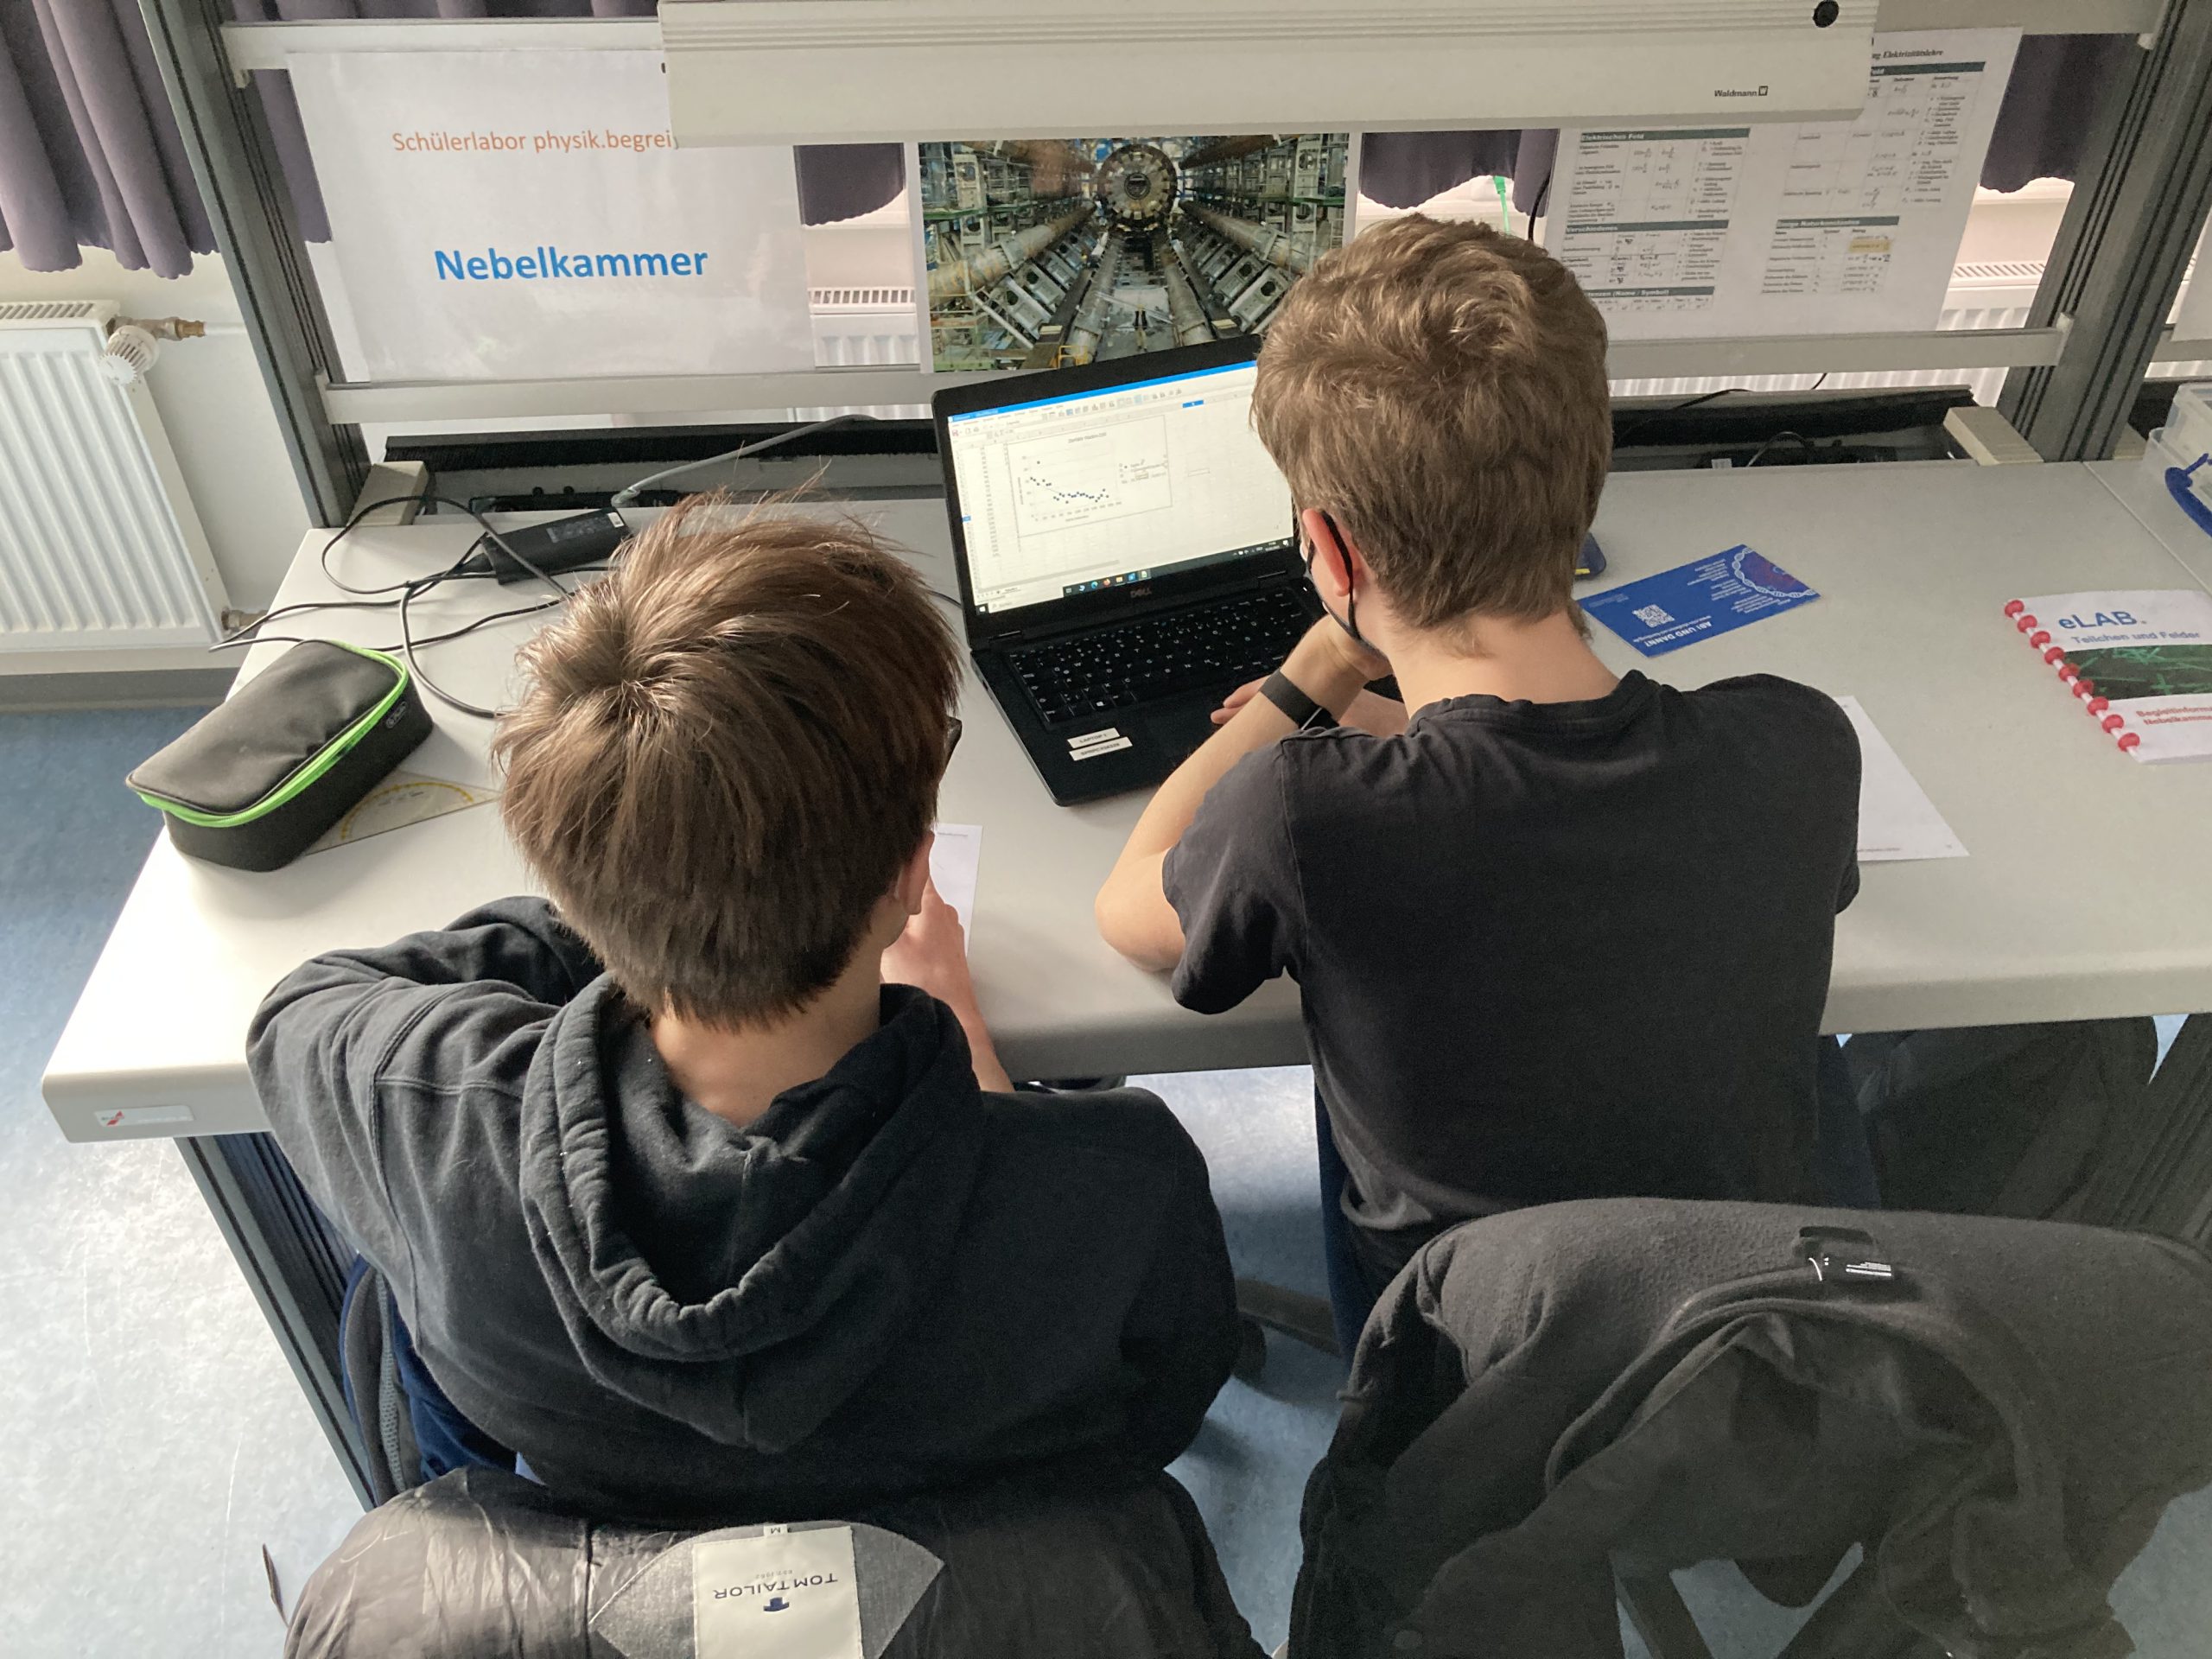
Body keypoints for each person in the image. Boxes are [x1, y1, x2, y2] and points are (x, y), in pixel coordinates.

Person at [251, 496, 1239, 1524]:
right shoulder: (1117, 1183)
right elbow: (1145, 1426)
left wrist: (628, 900)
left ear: (573, 889)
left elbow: (297, 1013)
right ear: (913, 876)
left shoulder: (427, 1112)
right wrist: (968, 1041)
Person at [1095, 217, 1862, 1338]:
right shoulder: (1797, 742)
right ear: (1584, 486)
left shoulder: (1303, 812)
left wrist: (1311, 676)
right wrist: (1400, 715)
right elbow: (1549, 801)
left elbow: (1130, 901)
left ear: (1333, 550)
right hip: (1734, 1331)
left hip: (1456, 1353)